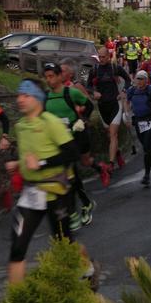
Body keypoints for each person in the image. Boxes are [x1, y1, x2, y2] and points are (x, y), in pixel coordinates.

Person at [3, 80, 97, 287]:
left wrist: (43, 163)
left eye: (26, 95)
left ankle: (87, 268)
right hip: (31, 193)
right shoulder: (21, 126)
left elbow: (71, 152)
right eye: (19, 95)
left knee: (63, 242)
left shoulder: (51, 123)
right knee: (17, 246)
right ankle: (16, 298)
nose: (20, 99)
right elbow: (32, 157)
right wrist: (18, 164)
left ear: (37, 98)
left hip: (57, 192)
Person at [42, 62, 96, 230]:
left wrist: (82, 119)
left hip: (76, 138)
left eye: (52, 76)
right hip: (60, 141)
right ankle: (84, 205)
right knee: (70, 176)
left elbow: (89, 105)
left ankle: (73, 213)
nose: (49, 80)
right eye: (46, 77)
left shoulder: (70, 93)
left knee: (69, 173)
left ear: (59, 76)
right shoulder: (45, 97)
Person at [88, 47, 132, 179]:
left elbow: (128, 79)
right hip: (102, 106)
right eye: (99, 57)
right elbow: (87, 84)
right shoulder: (94, 69)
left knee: (113, 134)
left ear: (108, 56)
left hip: (115, 104)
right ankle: (117, 154)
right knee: (109, 134)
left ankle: (111, 164)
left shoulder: (115, 68)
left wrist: (123, 91)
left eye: (103, 57)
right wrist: (93, 92)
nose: (101, 59)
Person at [125, 71, 151, 186]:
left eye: (141, 79)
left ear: (146, 80)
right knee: (147, 147)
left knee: (146, 146)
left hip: (150, 120)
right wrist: (127, 114)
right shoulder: (132, 90)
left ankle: (146, 175)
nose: (139, 81)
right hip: (139, 121)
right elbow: (126, 101)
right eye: (137, 78)